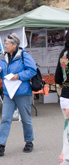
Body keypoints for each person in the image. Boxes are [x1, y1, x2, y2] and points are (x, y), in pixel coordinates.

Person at [0, 33, 37, 156]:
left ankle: (29, 142)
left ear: (15, 45)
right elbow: (4, 74)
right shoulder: (4, 56)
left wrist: (18, 76)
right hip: (8, 92)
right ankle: (1, 145)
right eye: (4, 43)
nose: (4, 45)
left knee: (25, 119)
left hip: (22, 92)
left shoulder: (24, 56)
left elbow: (32, 70)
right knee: (5, 119)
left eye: (7, 43)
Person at [55, 31, 69, 164]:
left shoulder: (63, 54)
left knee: (67, 131)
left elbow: (57, 78)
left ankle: (64, 158)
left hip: (65, 97)